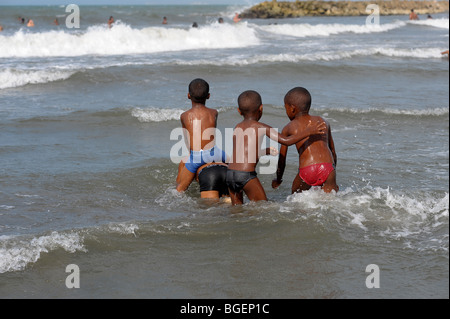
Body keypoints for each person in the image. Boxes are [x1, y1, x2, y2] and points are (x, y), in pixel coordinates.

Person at [226, 90, 327, 205]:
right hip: (246, 175)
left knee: (236, 210)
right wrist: (309, 131)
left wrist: (266, 151)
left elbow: (243, 154)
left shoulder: (237, 128)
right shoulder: (261, 127)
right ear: (261, 109)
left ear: (239, 111)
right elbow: (286, 141)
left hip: (230, 174)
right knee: (263, 207)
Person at [272, 87, 339, 194]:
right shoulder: (323, 122)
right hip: (328, 168)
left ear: (292, 108)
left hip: (308, 169)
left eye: (286, 108)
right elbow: (333, 152)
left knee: (295, 196)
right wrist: (332, 175)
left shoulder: (289, 127)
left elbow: (282, 159)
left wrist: (278, 179)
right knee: (329, 200)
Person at [176, 78, 227, 193]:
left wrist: (191, 154)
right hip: (216, 153)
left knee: (179, 189)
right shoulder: (214, 112)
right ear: (208, 96)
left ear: (188, 95)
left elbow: (187, 138)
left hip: (198, 156)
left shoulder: (184, 115)